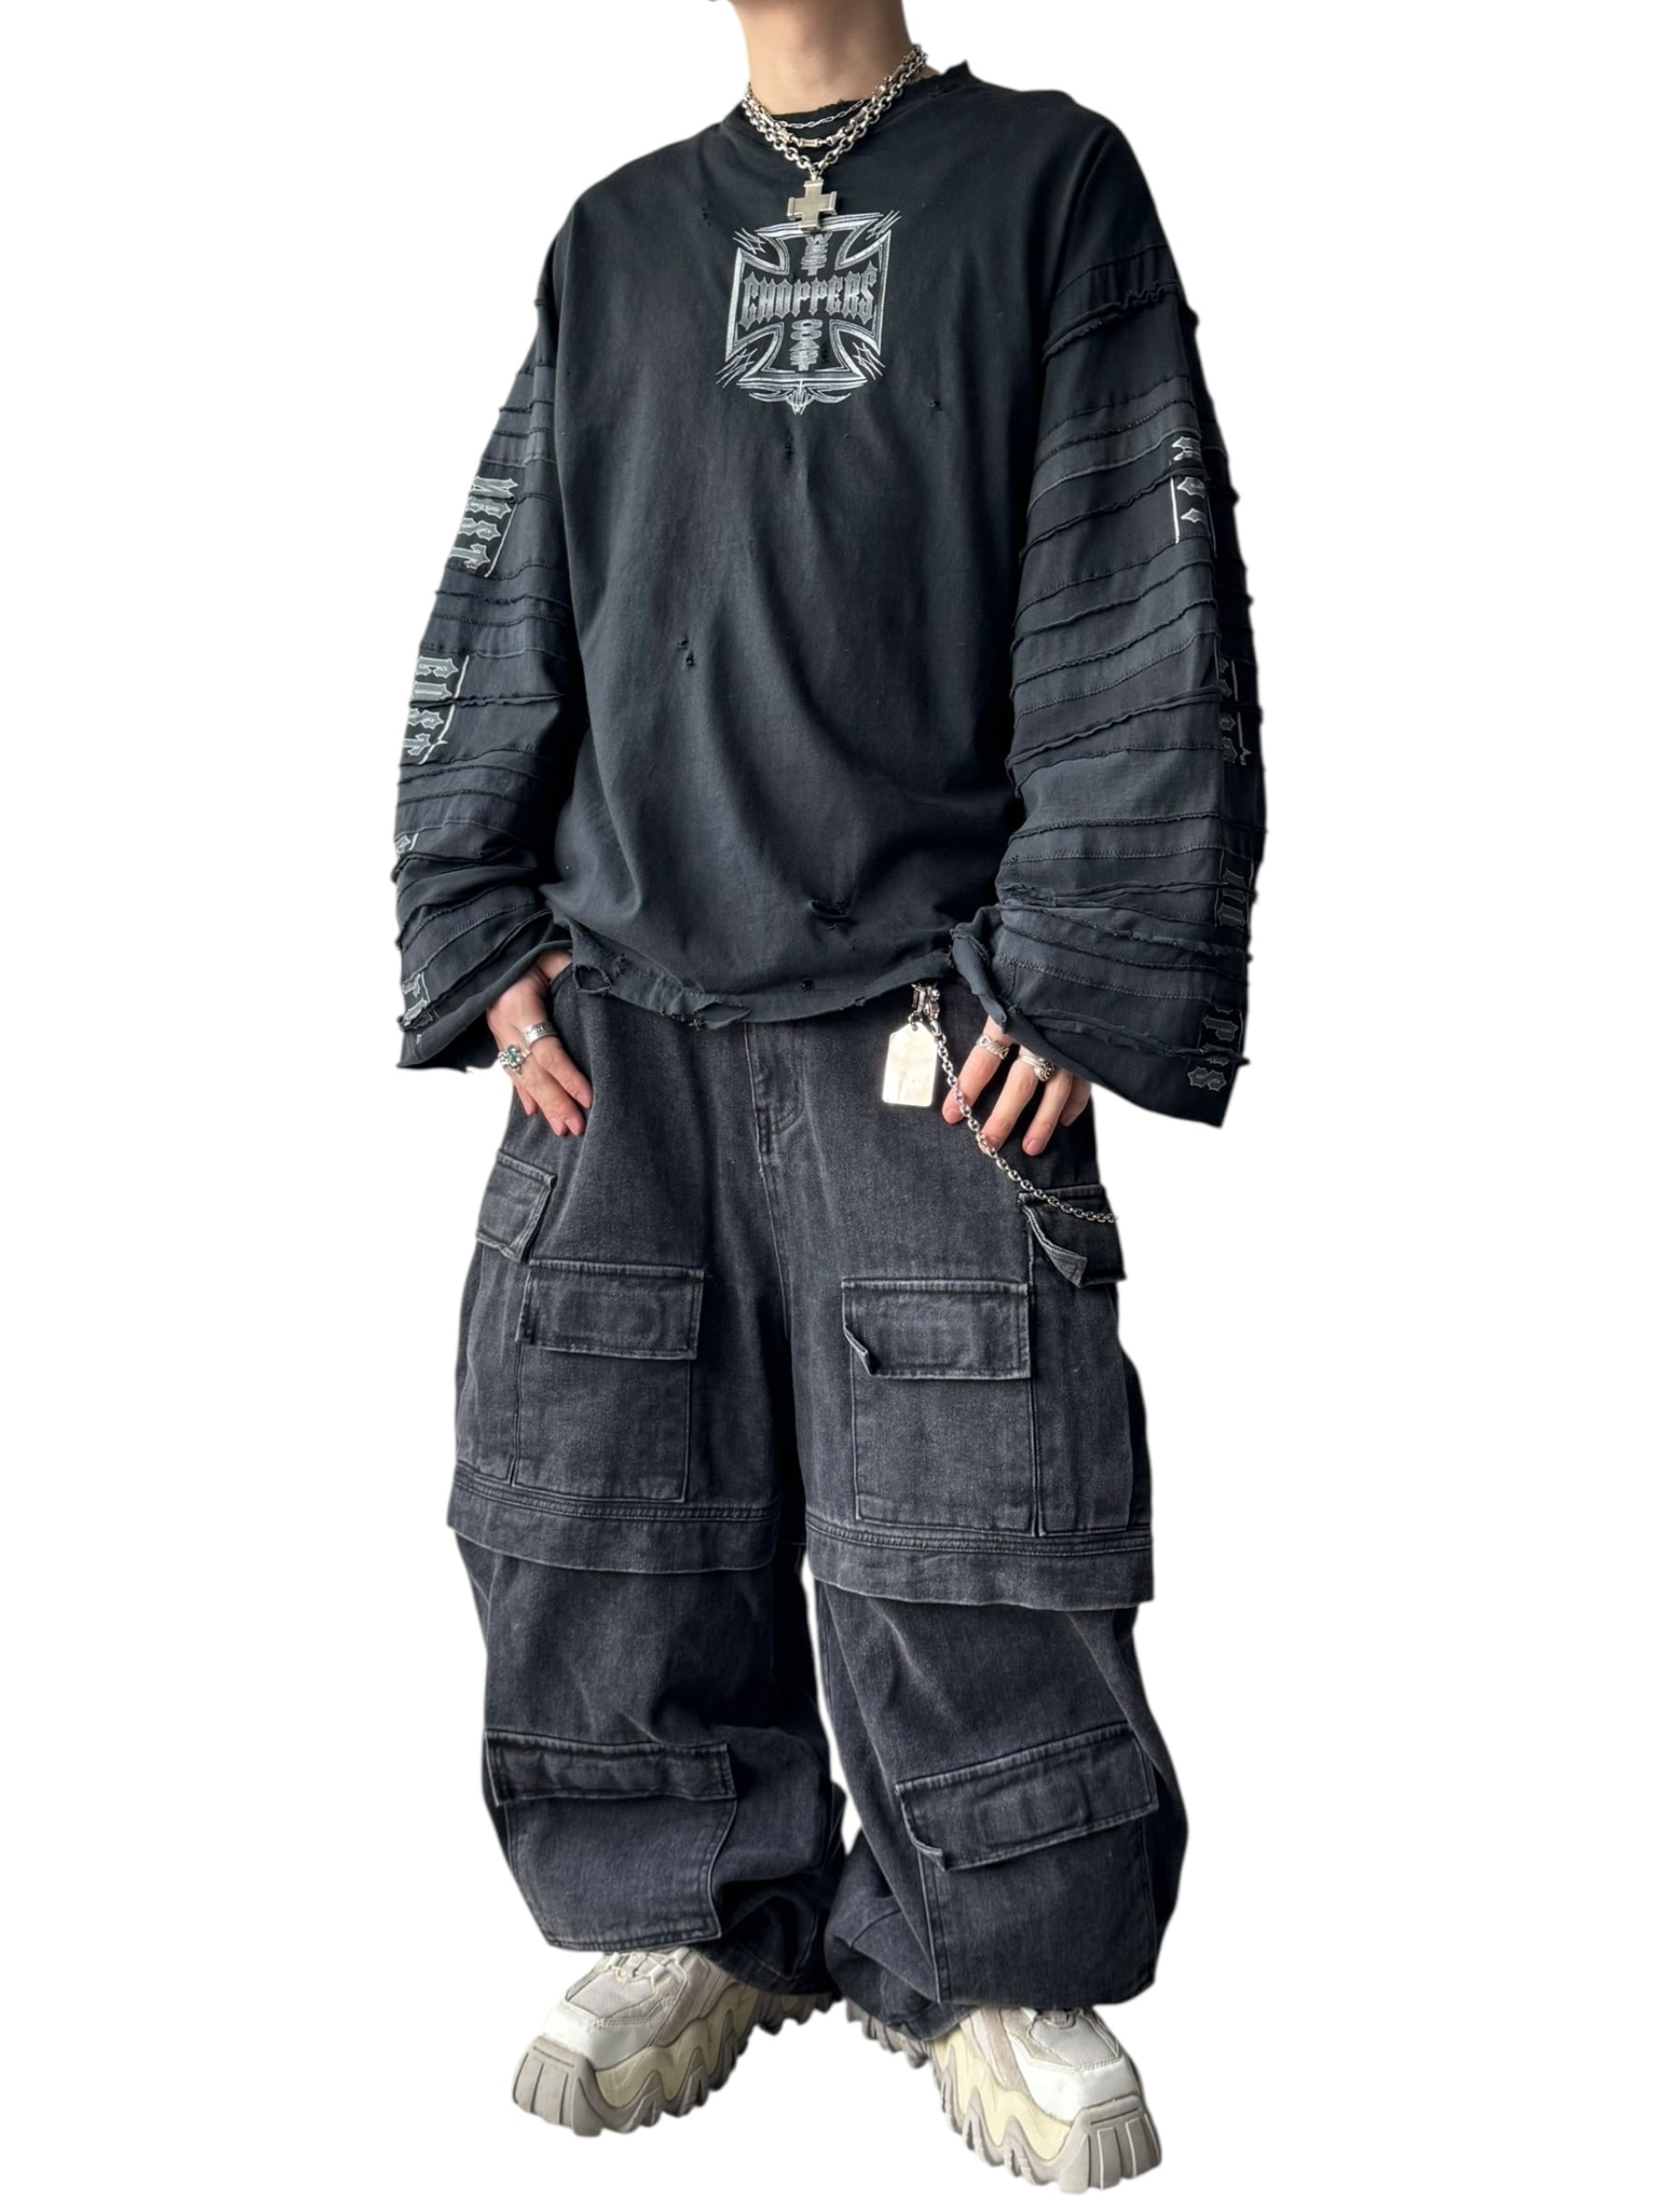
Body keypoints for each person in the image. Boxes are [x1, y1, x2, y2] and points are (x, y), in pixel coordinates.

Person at [391, 0, 1263, 2189]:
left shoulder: (1049, 182)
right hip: (622, 1009)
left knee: (978, 1504)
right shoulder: (614, 237)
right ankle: (684, 1906)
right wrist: (479, 921)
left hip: (937, 1008)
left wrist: (1082, 952)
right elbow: (510, 581)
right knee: (598, 1483)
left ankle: (999, 1952)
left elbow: (1135, 572)